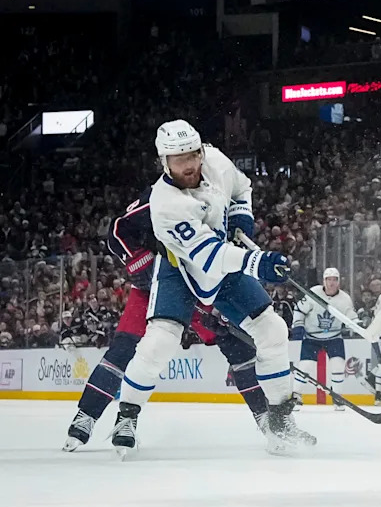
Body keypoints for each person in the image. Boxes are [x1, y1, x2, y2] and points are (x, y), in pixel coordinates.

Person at [114, 120, 311, 456]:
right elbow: (207, 256)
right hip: (181, 270)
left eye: (193, 154)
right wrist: (258, 263)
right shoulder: (165, 203)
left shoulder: (217, 161)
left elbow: (242, 188)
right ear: (165, 163)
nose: (189, 164)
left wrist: (240, 217)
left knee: (273, 331)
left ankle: (281, 421)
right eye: (179, 160)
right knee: (159, 343)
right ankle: (127, 415)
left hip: (225, 262)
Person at [63, 187, 279, 451]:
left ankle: (269, 422)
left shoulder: (218, 194)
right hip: (155, 286)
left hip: (203, 285)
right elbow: (118, 230)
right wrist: (142, 265)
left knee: (239, 347)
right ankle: (88, 416)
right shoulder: (160, 196)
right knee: (125, 349)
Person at [292, 267, 358, 411]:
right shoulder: (313, 293)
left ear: (338, 282)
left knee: (338, 366)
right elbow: (299, 310)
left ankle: (337, 397)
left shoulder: (345, 298)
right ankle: (295, 396)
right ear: (324, 281)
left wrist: (357, 324)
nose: (331, 283)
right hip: (312, 337)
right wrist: (298, 325)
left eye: (334, 280)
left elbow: (350, 316)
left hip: (334, 338)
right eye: (329, 279)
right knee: (305, 367)